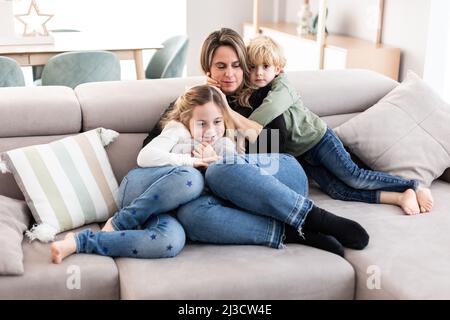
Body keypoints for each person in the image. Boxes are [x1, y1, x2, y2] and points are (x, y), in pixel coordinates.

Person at [170, 28, 370, 257]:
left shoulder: (264, 94)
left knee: (219, 170)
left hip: (282, 176)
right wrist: (192, 148)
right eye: (221, 66)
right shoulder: (195, 101)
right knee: (191, 216)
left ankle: (315, 217)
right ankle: (292, 232)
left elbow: (272, 148)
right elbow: (154, 142)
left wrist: (225, 110)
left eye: (236, 65)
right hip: (230, 193)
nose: (230, 74)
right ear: (207, 69)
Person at [240, 35, 433, 215]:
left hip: (319, 140)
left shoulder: (282, 87)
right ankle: (400, 196)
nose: (258, 73)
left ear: (279, 68)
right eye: (252, 67)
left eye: (265, 66)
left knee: (354, 176)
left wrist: (234, 126)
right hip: (303, 154)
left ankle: (416, 186)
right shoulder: (256, 91)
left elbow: (263, 115)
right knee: (337, 190)